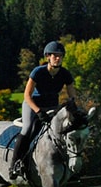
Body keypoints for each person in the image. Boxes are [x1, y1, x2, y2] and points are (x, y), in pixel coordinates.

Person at [9, 40, 78, 179]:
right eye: (54, 55)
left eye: (60, 56)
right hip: (32, 105)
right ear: (48, 57)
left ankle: (68, 165)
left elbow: (72, 97)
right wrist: (38, 111)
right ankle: (14, 164)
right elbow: (27, 95)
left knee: (65, 131)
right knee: (28, 129)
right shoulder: (38, 72)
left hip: (52, 106)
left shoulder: (65, 74)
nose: (57, 58)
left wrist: (74, 111)